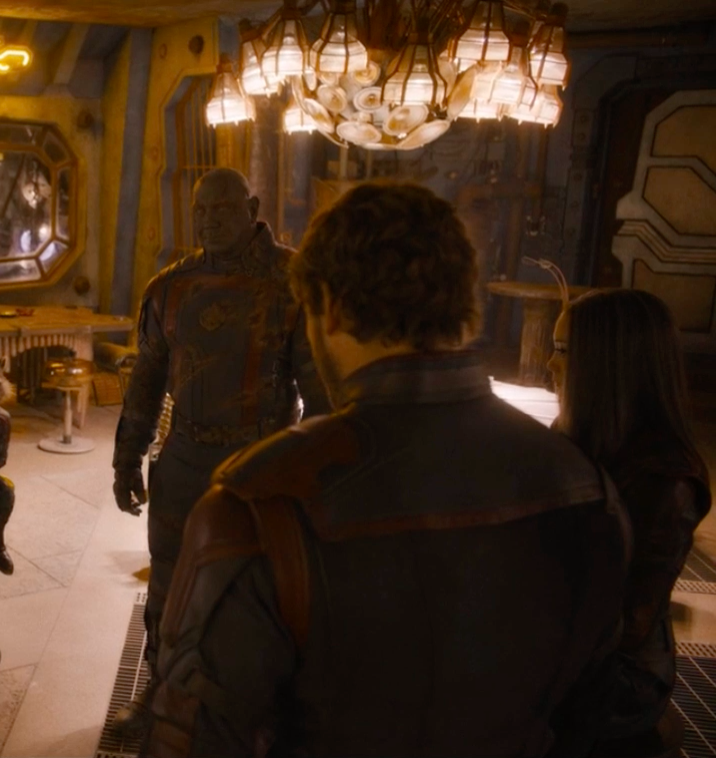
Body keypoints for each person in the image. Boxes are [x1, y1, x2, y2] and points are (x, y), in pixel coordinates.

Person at [142, 183, 632, 757]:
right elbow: (597, 722)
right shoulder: (584, 487)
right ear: (464, 307)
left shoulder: (255, 506)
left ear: (330, 309)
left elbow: (194, 741)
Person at [111, 168, 329, 734]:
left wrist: (317, 474)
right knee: (168, 582)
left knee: (262, 587)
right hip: (183, 458)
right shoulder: (169, 288)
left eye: (223, 208)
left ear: (252, 208)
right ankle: (158, 692)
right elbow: (145, 383)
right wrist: (127, 458)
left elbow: (319, 391)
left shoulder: (292, 283)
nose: (209, 220)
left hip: (261, 464)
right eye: (201, 210)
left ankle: (260, 707)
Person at [550, 289, 712, 755]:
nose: (549, 363)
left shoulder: (665, 480)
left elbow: (626, 624)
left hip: (620, 678)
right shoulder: (579, 437)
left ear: (609, 364)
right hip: (568, 647)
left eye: (563, 350)